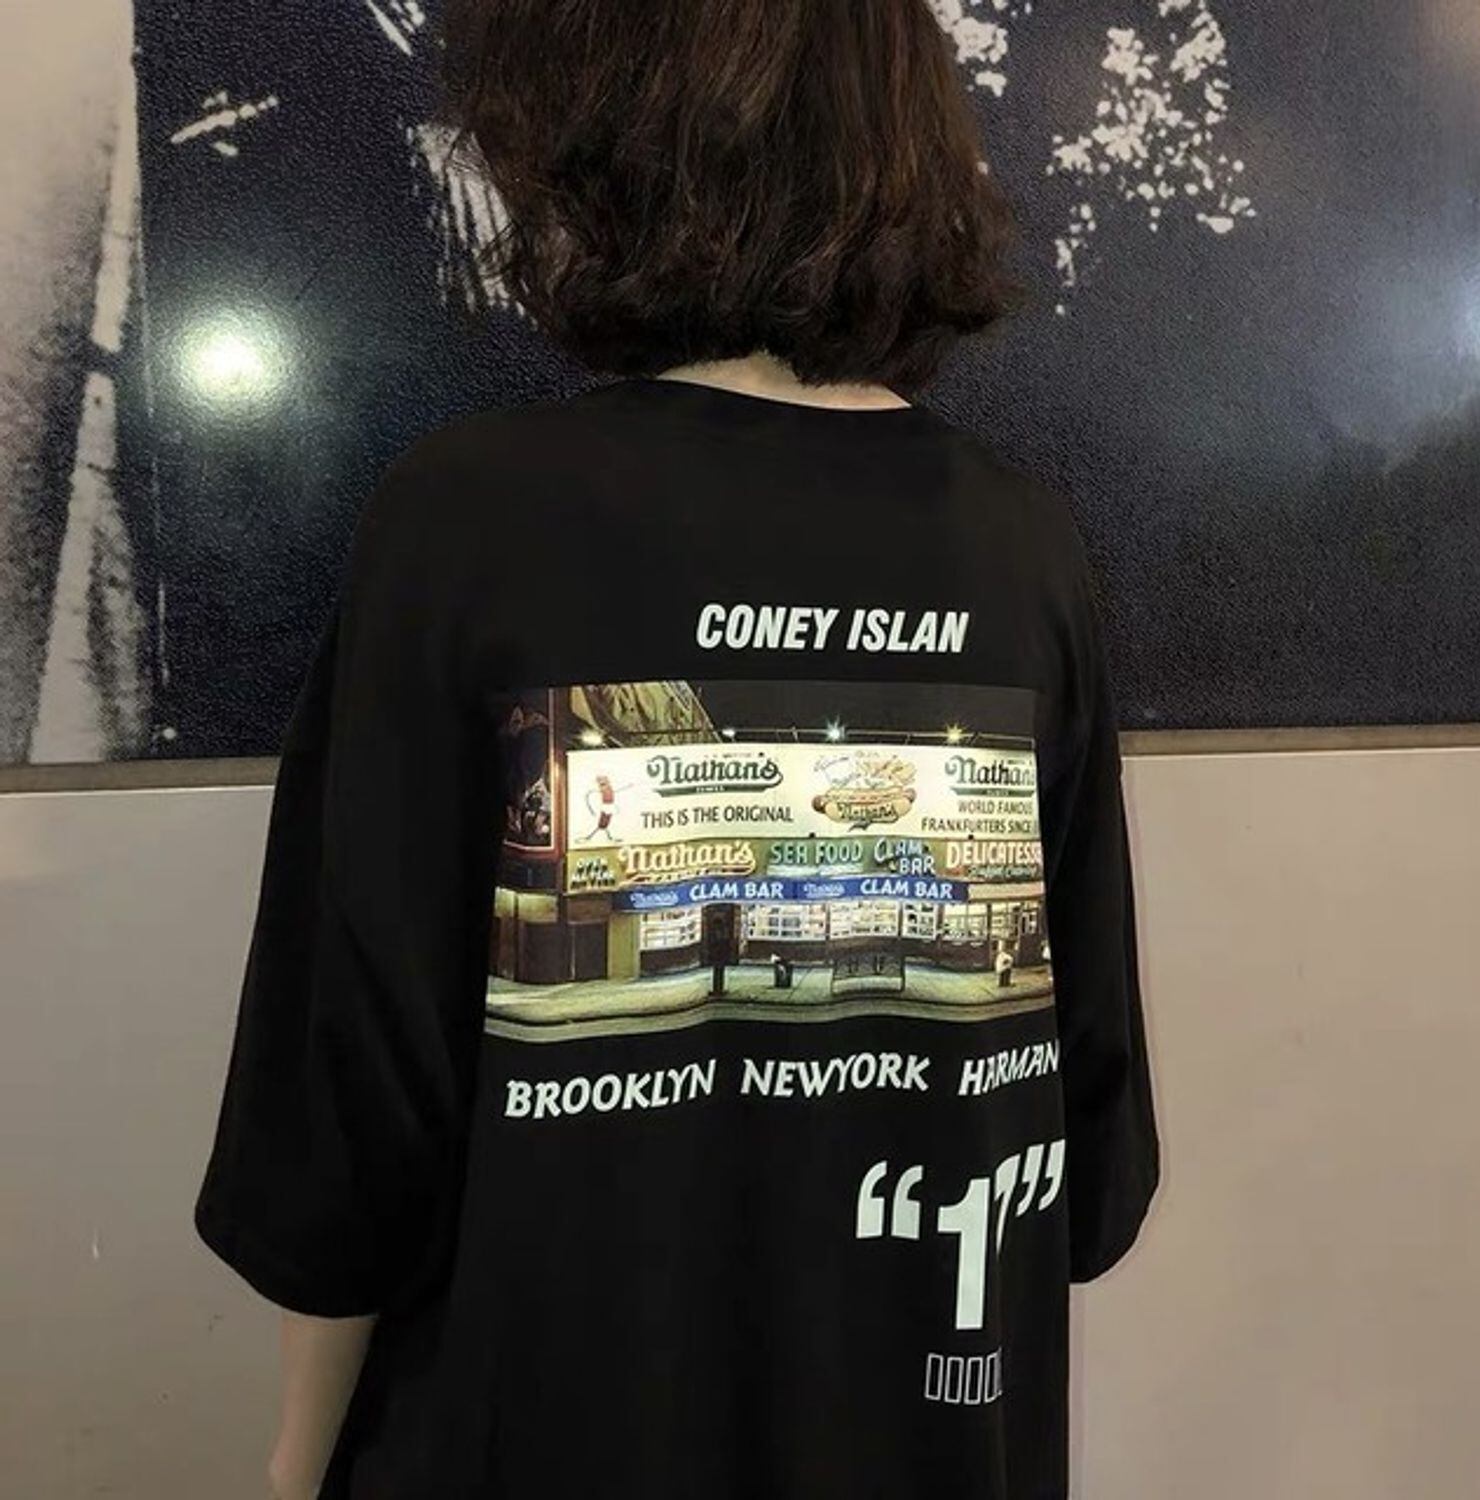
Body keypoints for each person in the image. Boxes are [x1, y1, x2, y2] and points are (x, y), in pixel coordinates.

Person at [193, 3, 1161, 1496]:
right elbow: (1089, 1169)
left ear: (603, 132)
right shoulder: (1018, 546)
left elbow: (347, 1141)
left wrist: (291, 1461)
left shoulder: (476, 524)